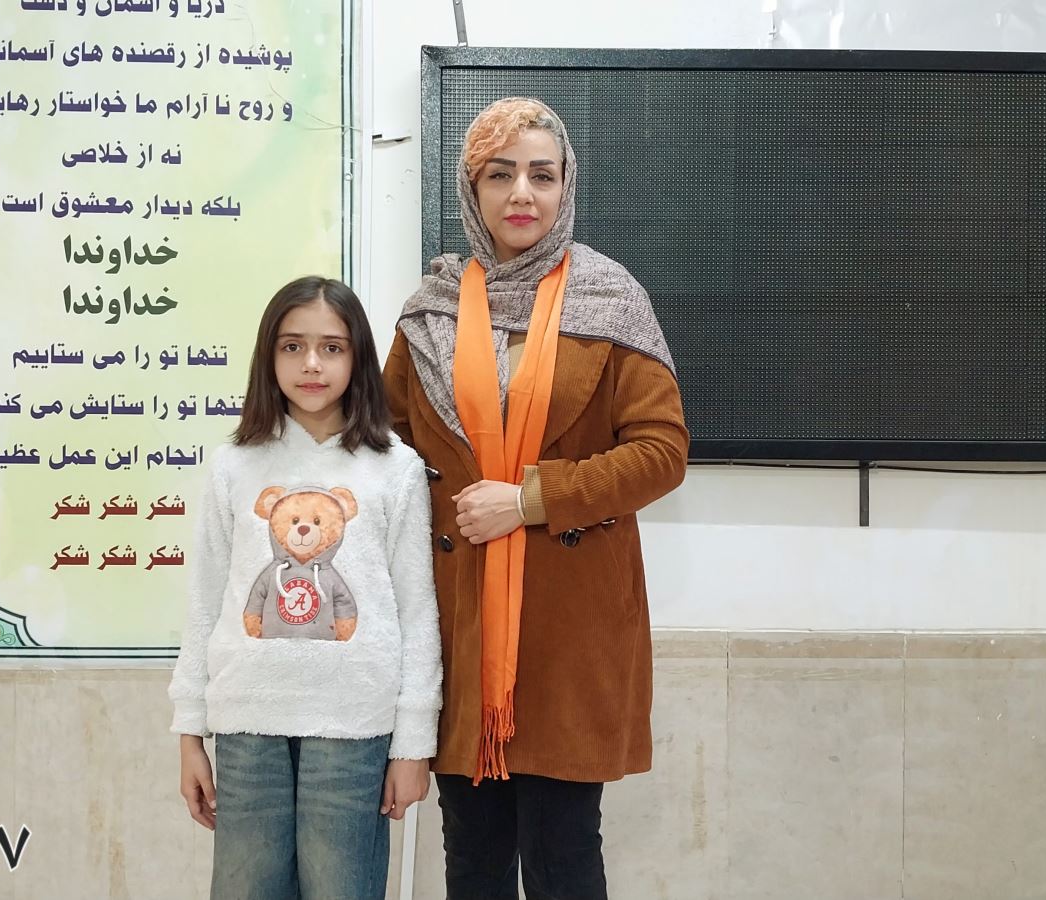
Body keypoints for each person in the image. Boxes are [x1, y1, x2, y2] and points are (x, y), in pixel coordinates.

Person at [384, 97, 689, 899]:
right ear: (472, 189)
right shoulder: (429, 313)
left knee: (562, 860)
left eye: (541, 176)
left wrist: (528, 499)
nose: (522, 193)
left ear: (565, 187)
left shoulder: (610, 301)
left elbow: (662, 454)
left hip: (569, 630)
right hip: (460, 625)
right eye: (500, 174)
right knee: (473, 861)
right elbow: (387, 456)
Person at [169, 275, 442, 900]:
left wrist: (413, 743)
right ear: (269, 357)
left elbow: (416, 610)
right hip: (246, 722)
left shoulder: (394, 468)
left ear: (357, 358)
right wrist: (190, 733)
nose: (311, 364)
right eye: (292, 346)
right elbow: (206, 603)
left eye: (332, 347)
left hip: (353, 725)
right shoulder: (234, 465)